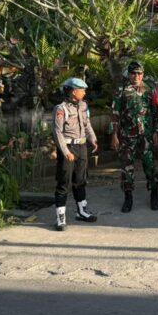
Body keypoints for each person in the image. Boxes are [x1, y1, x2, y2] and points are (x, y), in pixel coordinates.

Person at [110, 61, 158, 213]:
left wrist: (156, 132)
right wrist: (114, 135)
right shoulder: (122, 90)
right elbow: (115, 114)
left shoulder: (150, 89)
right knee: (127, 166)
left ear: (143, 74)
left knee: (149, 164)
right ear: (129, 74)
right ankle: (128, 197)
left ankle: (154, 194)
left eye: (139, 73)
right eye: (133, 73)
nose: (136, 76)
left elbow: (156, 112)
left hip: (146, 134)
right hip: (127, 136)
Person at [52, 77, 99, 231]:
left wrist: (93, 139)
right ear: (73, 91)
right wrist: (65, 151)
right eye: (82, 90)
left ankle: (82, 211)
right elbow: (57, 132)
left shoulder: (83, 105)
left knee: (80, 180)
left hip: (81, 147)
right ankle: (60, 218)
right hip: (68, 147)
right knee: (64, 182)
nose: (84, 92)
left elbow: (87, 124)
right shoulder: (61, 109)